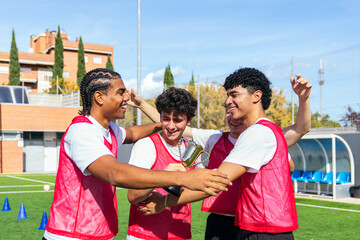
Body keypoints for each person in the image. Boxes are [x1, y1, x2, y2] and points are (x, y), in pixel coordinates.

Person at [43, 68, 230, 240]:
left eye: (178, 120)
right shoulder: (82, 131)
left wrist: (163, 124)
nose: (126, 97)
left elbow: (132, 133)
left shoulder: (109, 130)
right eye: (120, 92)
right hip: (70, 234)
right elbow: (114, 173)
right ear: (99, 97)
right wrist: (174, 178)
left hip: (98, 233)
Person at [130, 73, 311, 239]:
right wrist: (142, 105)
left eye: (234, 96)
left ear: (256, 97)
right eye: (228, 109)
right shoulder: (217, 138)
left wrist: (169, 190)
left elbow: (217, 181)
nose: (228, 104)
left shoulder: (260, 135)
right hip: (231, 222)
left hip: (261, 225)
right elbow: (175, 123)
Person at [127, 87, 200, 240]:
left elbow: (204, 189)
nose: (171, 126)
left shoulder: (194, 150)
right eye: (166, 118)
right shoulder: (146, 146)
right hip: (144, 234)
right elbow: (133, 196)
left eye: (178, 120)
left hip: (181, 233)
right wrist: (162, 177)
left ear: (189, 121)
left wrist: (165, 201)